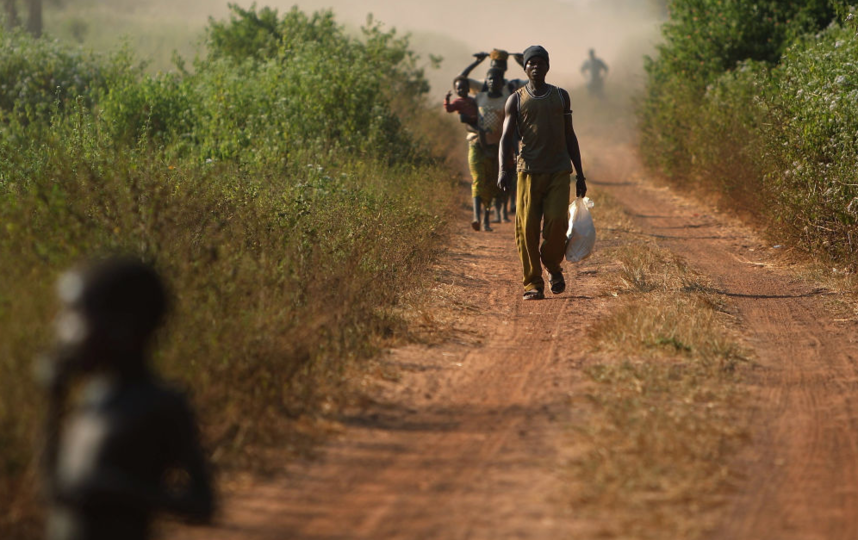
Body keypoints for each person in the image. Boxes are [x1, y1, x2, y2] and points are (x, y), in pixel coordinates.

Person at [39, 257, 215, 540]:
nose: (61, 329)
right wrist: (55, 400)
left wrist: (115, 491)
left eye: (74, 315)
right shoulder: (91, 398)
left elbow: (202, 504)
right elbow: (57, 491)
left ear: (124, 327)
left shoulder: (161, 404)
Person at [498, 45, 587, 300]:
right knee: (526, 229)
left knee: (557, 223)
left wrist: (580, 174)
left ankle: (552, 265)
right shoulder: (515, 99)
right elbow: (506, 138)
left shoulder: (561, 96)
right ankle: (532, 284)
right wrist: (503, 169)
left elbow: (570, 135)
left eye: (540, 63)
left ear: (548, 67)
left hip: (559, 171)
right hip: (528, 172)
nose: (536, 67)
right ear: (525, 68)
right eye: (531, 63)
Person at [469, 68, 508, 231]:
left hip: (496, 147)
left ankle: (486, 219)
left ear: (502, 83)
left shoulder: (507, 100)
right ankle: (476, 216)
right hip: (476, 144)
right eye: (489, 79)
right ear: (486, 81)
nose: (492, 82)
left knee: (492, 183)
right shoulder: (479, 98)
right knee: (478, 179)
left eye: (496, 79)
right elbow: (469, 121)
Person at [459, 48, 528, 97]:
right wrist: (477, 62)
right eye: (495, 66)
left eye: (500, 65)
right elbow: (460, 80)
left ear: (505, 68)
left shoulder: (512, 86)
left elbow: (536, 81)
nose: (497, 69)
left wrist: (523, 63)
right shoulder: (483, 85)